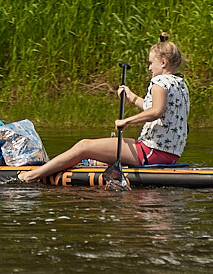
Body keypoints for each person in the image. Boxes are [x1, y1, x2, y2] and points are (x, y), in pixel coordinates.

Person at [18, 33, 189, 182]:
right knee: (96, 158)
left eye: (151, 63)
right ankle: (71, 166)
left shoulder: (159, 81)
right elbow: (156, 108)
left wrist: (126, 121)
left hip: (151, 152)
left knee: (84, 146)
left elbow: (156, 111)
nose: (150, 68)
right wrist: (132, 97)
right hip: (169, 154)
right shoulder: (180, 84)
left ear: (164, 62)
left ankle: (33, 175)